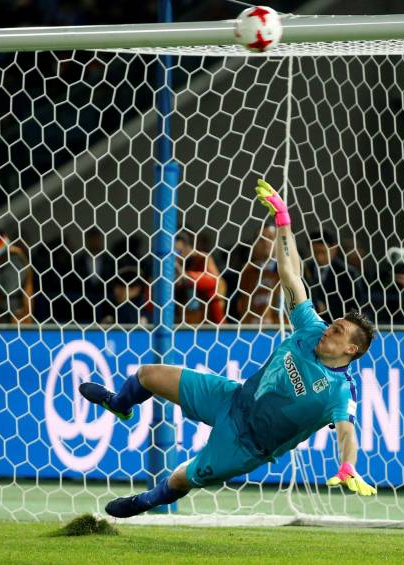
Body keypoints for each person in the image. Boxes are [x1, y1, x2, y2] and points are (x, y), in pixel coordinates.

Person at [79, 179, 377, 518]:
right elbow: (290, 273)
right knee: (148, 374)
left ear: (351, 349)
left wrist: (347, 465)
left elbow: (346, 432)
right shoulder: (311, 329)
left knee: (182, 477)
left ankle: (143, 502)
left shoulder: (340, 390)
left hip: (246, 445)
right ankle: (119, 404)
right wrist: (283, 222)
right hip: (231, 397)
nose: (328, 329)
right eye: (332, 324)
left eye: (337, 330)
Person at [304, 229, 367, 323]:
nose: (319, 257)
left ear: (334, 249)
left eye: (323, 252)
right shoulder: (304, 270)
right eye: (315, 252)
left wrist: (326, 308)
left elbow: (356, 307)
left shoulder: (349, 274)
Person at [236, 224, 283, 325]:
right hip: (252, 330)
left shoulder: (286, 270)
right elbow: (243, 304)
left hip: (279, 330)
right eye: (261, 239)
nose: (266, 242)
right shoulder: (247, 271)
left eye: (270, 238)